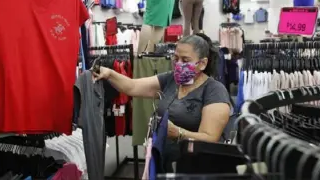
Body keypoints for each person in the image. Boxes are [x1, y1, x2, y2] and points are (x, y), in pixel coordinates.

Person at [93, 33, 231, 172]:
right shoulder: (170, 80)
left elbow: (209, 139)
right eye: (175, 58)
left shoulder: (214, 91)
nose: (178, 64)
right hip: (163, 162)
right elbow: (132, 86)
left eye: (185, 60)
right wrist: (109, 73)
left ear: (202, 63)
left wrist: (179, 133)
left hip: (193, 168)